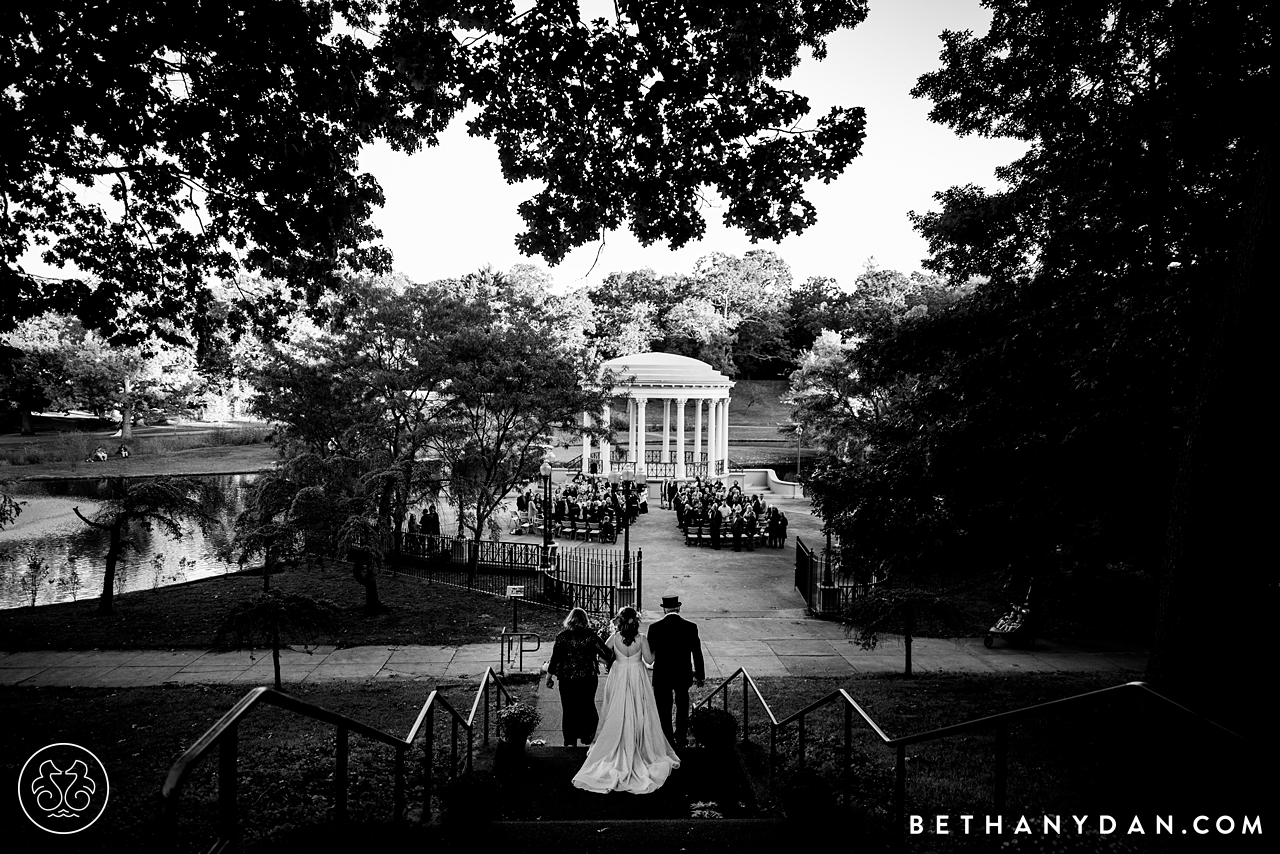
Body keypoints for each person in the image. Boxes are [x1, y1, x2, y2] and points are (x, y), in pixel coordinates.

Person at [572, 606, 681, 794]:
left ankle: (618, 742)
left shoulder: (613, 638)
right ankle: (638, 743)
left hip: (619, 674)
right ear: (635, 621)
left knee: (617, 708)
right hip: (637, 675)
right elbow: (649, 661)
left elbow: (603, 657)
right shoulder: (642, 639)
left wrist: (613, 660)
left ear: (620, 621)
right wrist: (656, 652)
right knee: (639, 709)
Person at [547, 608, 615, 747]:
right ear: (585, 620)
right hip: (588, 678)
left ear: (569, 620)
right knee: (587, 705)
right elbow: (607, 653)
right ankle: (588, 735)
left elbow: (554, 659)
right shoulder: (591, 636)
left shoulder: (562, 637)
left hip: (567, 678)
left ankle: (570, 739)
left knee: (569, 707)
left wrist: (549, 677)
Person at [646, 592, 705, 748]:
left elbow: (649, 653)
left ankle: (666, 738)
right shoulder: (690, 627)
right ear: (678, 609)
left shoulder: (654, 628)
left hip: (662, 674)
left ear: (664, 610)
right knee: (682, 705)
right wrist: (700, 675)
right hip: (682, 672)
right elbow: (697, 653)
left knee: (663, 708)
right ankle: (681, 736)